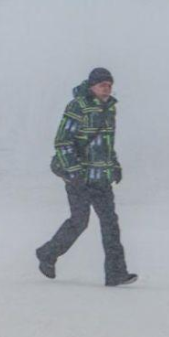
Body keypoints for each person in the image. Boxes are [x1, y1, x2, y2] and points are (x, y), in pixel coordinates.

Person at [36, 68, 138, 287]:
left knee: (110, 223)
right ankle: (47, 254)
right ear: (92, 86)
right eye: (103, 85)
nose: (107, 89)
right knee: (79, 221)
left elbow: (106, 144)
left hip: (101, 177)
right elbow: (63, 142)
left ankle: (116, 273)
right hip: (79, 177)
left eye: (109, 85)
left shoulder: (110, 108)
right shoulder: (78, 106)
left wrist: (115, 166)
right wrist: (74, 173)